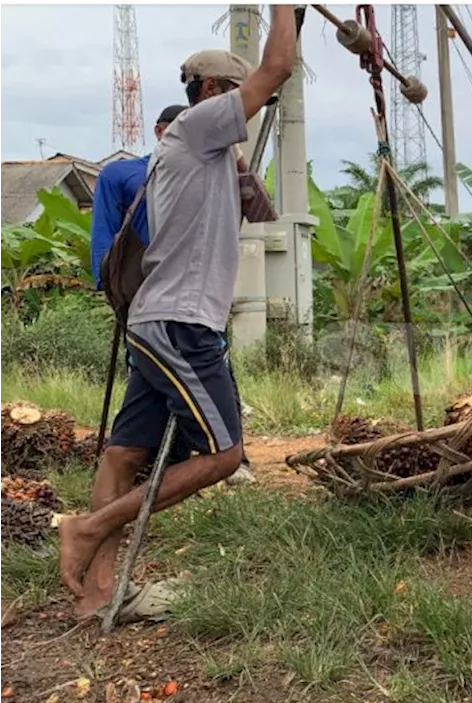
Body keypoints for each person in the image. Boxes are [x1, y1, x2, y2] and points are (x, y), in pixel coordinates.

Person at [58, 4, 298, 622]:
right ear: (213, 91)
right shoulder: (196, 128)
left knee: (122, 454)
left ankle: (100, 594)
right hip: (180, 322)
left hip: (156, 320)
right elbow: (275, 68)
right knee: (221, 456)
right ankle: (87, 530)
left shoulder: (197, 154)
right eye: (238, 97)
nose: (248, 110)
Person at [90, 104, 258, 487]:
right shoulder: (123, 174)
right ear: (160, 130)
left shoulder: (211, 170)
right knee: (157, 375)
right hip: (151, 296)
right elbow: (104, 235)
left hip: (194, 296)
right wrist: (112, 290)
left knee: (215, 370)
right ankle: (177, 462)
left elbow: (249, 204)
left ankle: (224, 456)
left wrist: (234, 153)